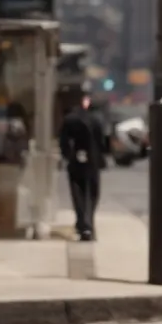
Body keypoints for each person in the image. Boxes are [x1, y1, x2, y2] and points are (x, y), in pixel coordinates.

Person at [58, 95, 109, 241]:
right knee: (92, 193)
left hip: (75, 160)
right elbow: (103, 142)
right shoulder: (97, 120)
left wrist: (67, 155)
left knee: (77, 192)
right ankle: (88, 222)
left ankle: (82, 223)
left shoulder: (69, 119)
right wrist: (102, 157)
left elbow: (63, 141)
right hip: (92, 161)